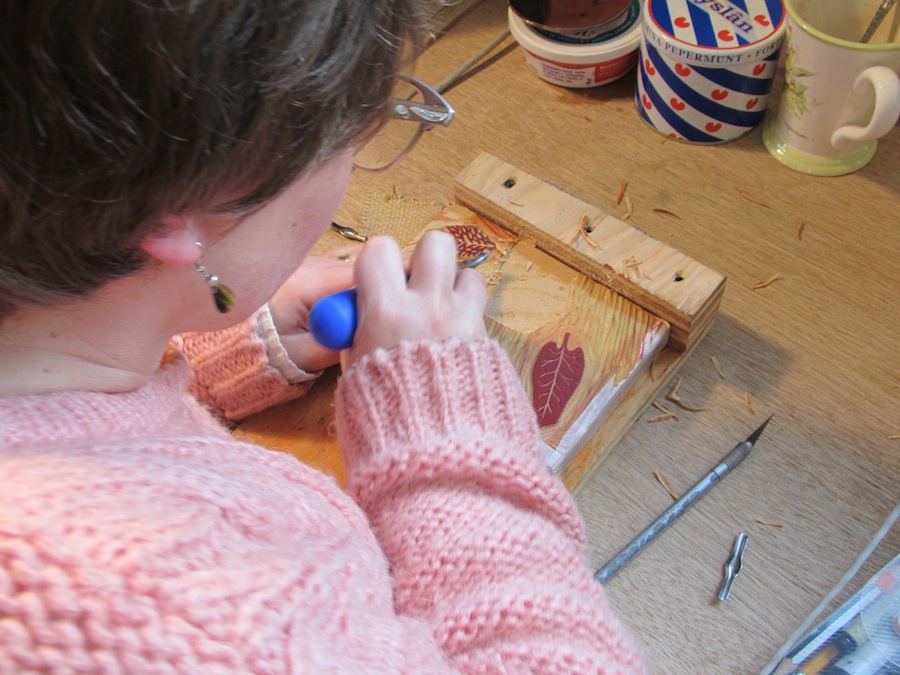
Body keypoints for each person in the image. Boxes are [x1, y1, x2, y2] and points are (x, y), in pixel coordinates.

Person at [0, 0, 646, 672]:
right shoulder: (182, 622)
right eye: (354, 139)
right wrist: (447, 451)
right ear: (180, 213)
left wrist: (185, 327)